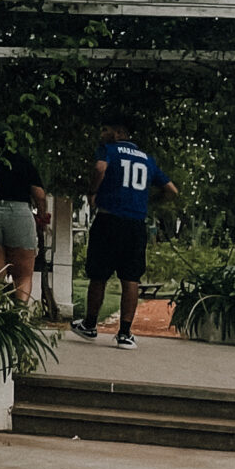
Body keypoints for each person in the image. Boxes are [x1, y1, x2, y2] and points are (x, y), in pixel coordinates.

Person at [72, 119, 179, 349]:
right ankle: (125, 333)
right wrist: (149, 201)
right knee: (131, 277)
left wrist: (93, 193)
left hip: (109, 218)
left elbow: (100, 168)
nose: (102, 133)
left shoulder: (108, 150)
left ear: (119, 132)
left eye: (105, 128)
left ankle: (90, 325)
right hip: (135, 223)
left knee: (99, 274)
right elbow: (171, 190)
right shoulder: (147, 158)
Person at [0, 133, 48, 303]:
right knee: (23, 275)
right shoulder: (24, 163)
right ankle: (18, 316)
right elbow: (39, 195)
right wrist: (41, 216)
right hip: (19, 214)